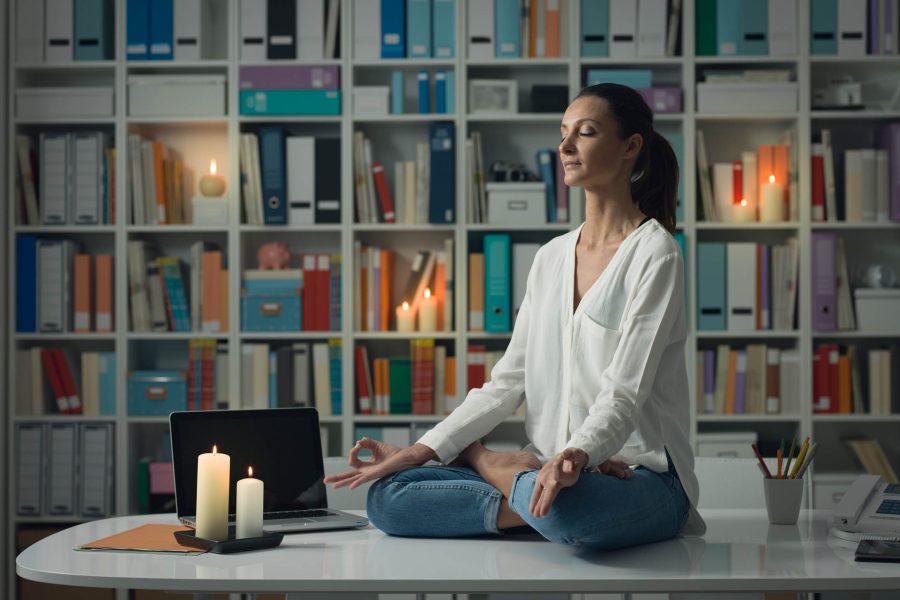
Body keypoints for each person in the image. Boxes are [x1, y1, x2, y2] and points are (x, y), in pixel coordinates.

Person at [325, 83, 706, 548]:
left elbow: (624, 394)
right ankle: (530, 498)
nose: (565, 147)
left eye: (584, 133)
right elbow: (507, 381)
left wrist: (578, 455)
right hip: (549, 469)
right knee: (387, 498)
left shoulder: (656, 255)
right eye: (563, 133)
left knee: (568, 510)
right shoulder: (551, 257)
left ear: (630, 147)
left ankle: (487, 465)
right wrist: (417, 452)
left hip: (644, 479)